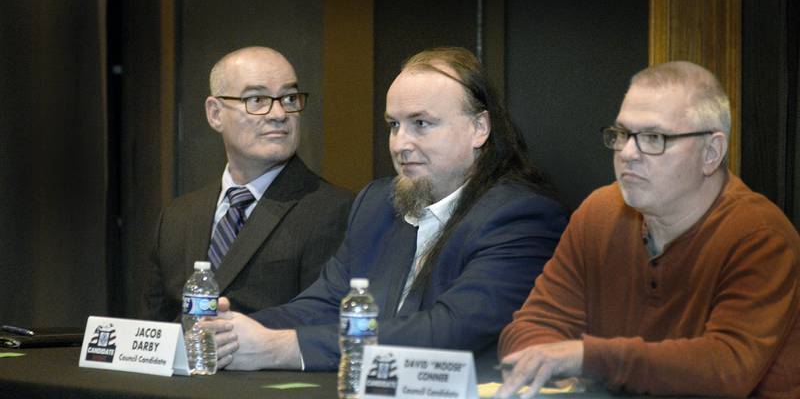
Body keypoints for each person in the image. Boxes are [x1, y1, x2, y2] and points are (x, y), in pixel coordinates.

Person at [205, 47, 568, 371]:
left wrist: (282, 348)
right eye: (394, 125)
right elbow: (324, 303)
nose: (400, 144)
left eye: (421, 124)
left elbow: (449, 330)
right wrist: (231, 330)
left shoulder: (522, 215)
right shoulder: (376, 204)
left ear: (479, 128)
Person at [497, 61, 800, 398]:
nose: (627, 153)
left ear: (711, 153)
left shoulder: (759, 234)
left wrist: (587, 358)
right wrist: (546, 365)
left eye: (654, 138)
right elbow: (530, 327)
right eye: (622, 134)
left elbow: (726, 369)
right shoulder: (599, 213)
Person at [141, 46, 354, 322]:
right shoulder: (176, 217)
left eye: (289, 98)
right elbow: (151, 336)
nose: (279, 113)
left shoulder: (334, 211)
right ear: (215, 113)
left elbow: (322, 327)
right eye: (257, 99)